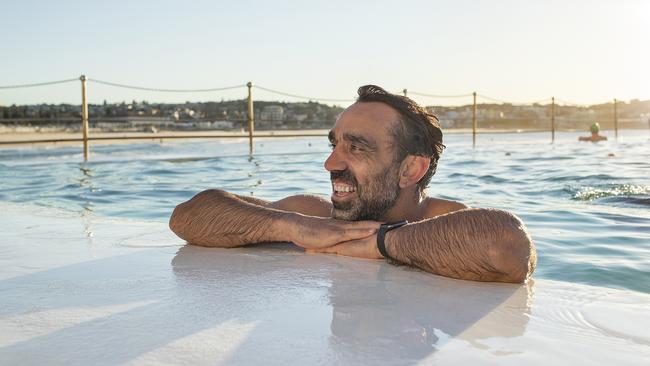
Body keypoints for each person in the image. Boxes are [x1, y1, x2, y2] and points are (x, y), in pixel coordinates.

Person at [169, 85, 536, 283]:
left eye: (356, 148)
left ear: (411, 170)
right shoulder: (312, 215)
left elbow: (506, 246)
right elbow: (188, 216)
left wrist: (381, 242)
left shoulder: (445, 220)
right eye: (335, 145)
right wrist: (291, 226)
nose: (331, 163)